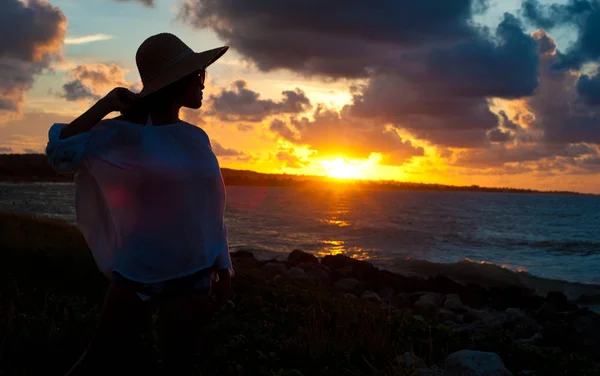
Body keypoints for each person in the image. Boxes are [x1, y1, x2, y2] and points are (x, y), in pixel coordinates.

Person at [45, 33, 233, 375]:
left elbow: (209, 206)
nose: (204, 82)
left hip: (195, 272)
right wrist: (107, 103)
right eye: (198, 74)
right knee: (97, 361)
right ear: (177, 80)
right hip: (139, 273)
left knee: (180, 366)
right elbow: (60, 153)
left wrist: (224, 262)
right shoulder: (125, 135)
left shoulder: (196, 137)